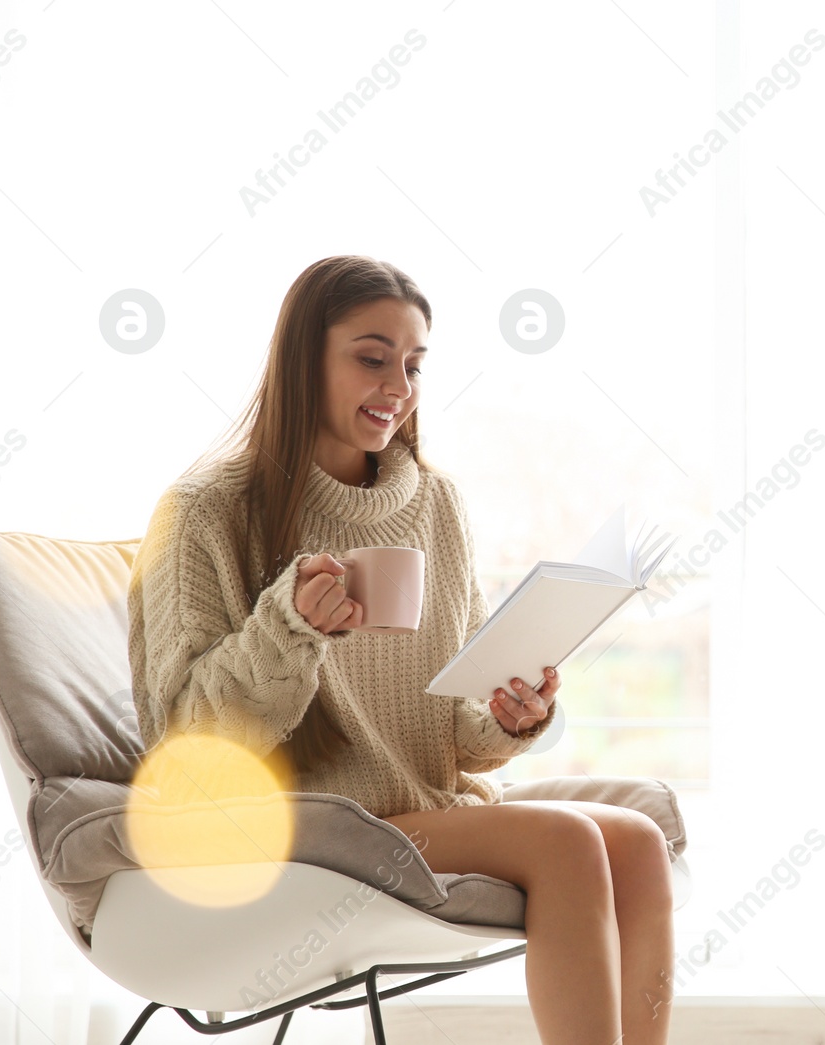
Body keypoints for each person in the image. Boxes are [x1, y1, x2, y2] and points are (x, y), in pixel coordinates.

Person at [128, 255, 674, 1044]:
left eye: (413, 365)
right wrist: (290, 626)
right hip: (303, 819)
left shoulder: (437, 502)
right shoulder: (205, 511)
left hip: (418, 807)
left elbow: (452, 726)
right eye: (371, 357)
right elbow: (186, 736)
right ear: (302, 360)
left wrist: (507, 714)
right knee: (567, 840)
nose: (397, 388)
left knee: (639, 839)